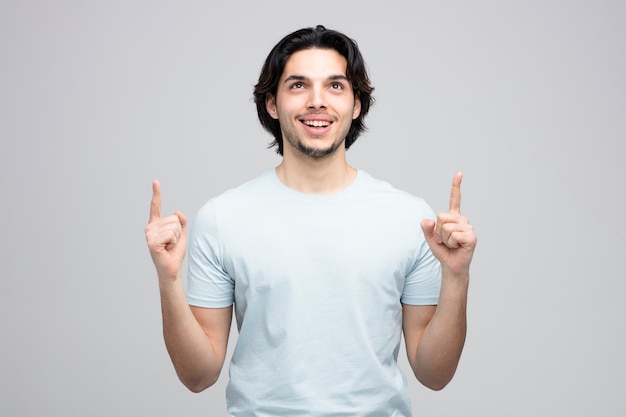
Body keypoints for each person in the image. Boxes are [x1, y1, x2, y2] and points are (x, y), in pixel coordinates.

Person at [145, 25, 477, 417]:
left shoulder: (410, 218)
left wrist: (457, 277)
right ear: (272, 103)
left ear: (356, 105)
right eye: (298, 85)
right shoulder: (223, 218)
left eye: (335, 86)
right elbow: (197, 376)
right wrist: (168, 281)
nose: (317, 101)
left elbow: (434, 373)